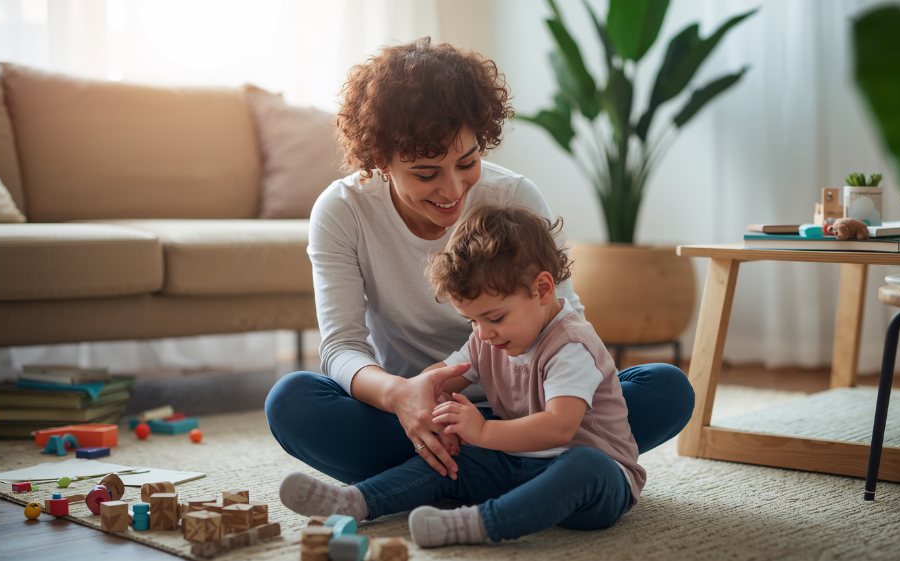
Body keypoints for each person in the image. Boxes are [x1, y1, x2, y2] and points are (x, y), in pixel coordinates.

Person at [264, 37, 694, 486]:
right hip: (411, 412)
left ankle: (450, 473)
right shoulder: (342, 210)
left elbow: (566, 322)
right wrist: (401, 396)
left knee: (666, 388)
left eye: (467, 162)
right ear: (380, 161)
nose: (452, 191)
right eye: (427, 173)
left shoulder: (514, 197)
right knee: (292, 402)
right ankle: (528, 475)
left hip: (531, 409)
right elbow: (341, 348)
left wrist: (509, 423)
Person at [279, 205, 646, 547]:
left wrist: (483, 431)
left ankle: (480, 524)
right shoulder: (487, 338)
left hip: (599, 481)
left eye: (495, 317)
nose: (483, 333)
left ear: (543, 289)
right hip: (522, 462)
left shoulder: (570, 344)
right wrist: (423, 389)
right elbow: (447, 374)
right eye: (472, 320)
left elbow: (559, 428)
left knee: (583, 463)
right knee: (455, 457)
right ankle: (358, 501)